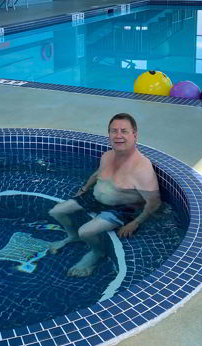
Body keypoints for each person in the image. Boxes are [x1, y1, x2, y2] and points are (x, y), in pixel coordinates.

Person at [48, 113, 161, 277]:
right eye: (114, 131)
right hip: (94, 198)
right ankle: (72, 236)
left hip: (121, 209)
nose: (119, 136)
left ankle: (97, 252)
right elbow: (97, 174)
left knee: (85, 231)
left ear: (134, 135)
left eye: (124, 131)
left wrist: (135, 223)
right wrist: (85, 187)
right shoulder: (108, 155)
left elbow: (154, 202)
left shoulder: (141, 168)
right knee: (56, 211)